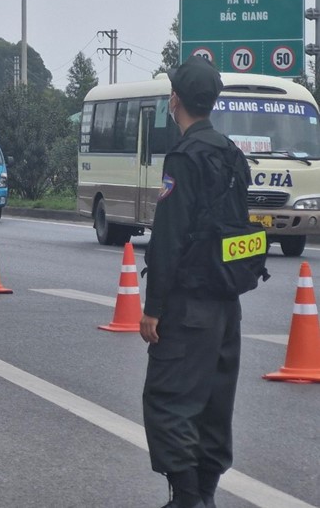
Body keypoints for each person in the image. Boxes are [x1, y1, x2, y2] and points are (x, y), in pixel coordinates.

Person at [140, 56, 250, 508]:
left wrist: (153, 308)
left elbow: (169, 237)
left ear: (176, 100)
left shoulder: (184, 158)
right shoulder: (232, 154)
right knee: (212, 405)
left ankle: (187, 498)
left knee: (167, 401)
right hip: (227, 304)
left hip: (188, 308)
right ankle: (204, 495)